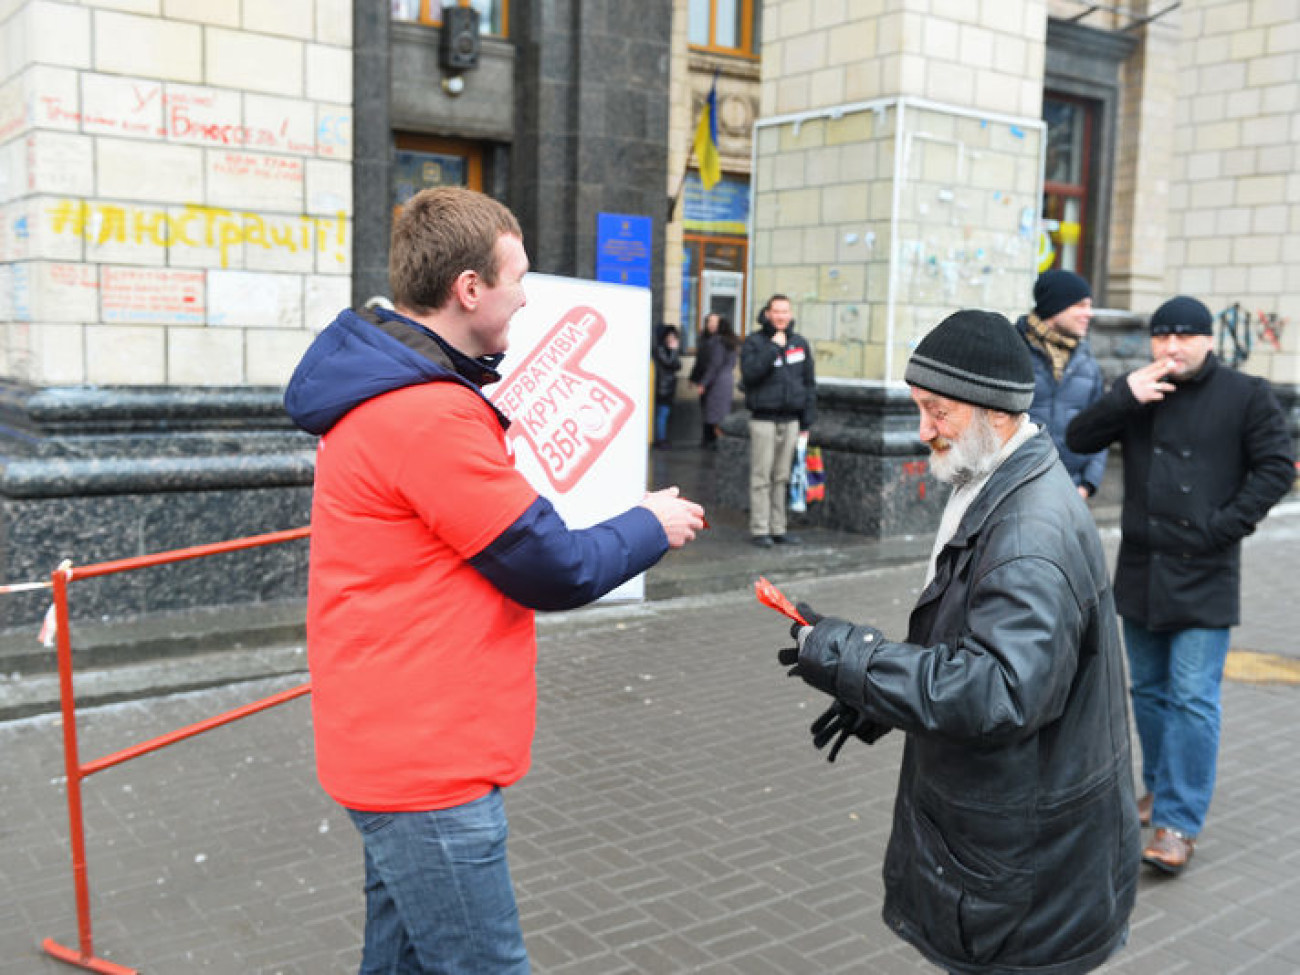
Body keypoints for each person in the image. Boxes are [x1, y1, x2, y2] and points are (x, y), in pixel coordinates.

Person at [283, 186, 706, 974]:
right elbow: (554, 565)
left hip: (396, 746)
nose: (524, 297)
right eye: (518, 278)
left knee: (403, 961)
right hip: (424, 763)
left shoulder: (398, 393)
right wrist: (651, 523)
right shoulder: (424, 414)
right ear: (468, 289)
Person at [774, 309, 1139, 975]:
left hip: (1028, 875)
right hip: (1025, 847)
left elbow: (997, 690)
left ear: (996, 412)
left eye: (936, 411)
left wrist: (855, 659)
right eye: (919, 408)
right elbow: (975, 647)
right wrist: (875, 694)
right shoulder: (1000, 481)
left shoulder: (1028, 533)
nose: (923, 431)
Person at [1066, 295, 1294, 875]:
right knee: (1149, 691)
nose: (1171, 347)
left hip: (1205, 567)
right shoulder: (1139, 388)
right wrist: (1124, 397)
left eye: (1183, 337)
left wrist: (1225, 526)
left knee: (1193, 698)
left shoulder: (1247, 395)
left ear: (1208, 340)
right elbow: (1079, 438)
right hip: (1143, 567)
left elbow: (1276, 467)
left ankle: (1178, 823)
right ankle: (1160, 790)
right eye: (1161, 336)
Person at [1015, 269, 1107, 499]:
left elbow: (1102, 426)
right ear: (1055, 308)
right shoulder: (1013, 351)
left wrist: (1087, 484)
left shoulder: (1086, 361)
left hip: (1072, 492)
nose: (1089, 313)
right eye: (1081, 305)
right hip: (1018, 490)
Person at [739, 294, 816, 547]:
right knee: (762, 476)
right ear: (768, 313)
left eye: (785, 311)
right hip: (763, 419)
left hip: (791, 420)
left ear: (790, 314)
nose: (781, 316)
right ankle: (760, 529)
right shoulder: (755, 342)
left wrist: (806, 423)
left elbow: (808, 385)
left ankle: (778, 528)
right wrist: (773, 348)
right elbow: (750, 375)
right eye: (776, 311)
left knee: (782, 476)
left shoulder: (800, 343)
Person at [690, 312, 741, 448]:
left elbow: (714, 364)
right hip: (722, 381)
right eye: (709, 322)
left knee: (714, 414)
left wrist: (703, 383)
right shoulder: (723, 340)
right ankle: (713, 442)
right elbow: (700, 362)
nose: (711, 325)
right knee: (715, 413)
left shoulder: (718, 342)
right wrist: (694, 378)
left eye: (715, 322)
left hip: (716, 383)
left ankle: (717, 443)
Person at [651, 323, 681, 449]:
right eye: (670, 335)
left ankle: (662, 438)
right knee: (662, 413)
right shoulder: (660, 349)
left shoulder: (667, 350)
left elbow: (678, 365)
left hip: (668, 387)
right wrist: (674, 351)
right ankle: (660, 439)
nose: (672, 338)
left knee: (664, 413)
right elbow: (669, 363)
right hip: (662, 387)